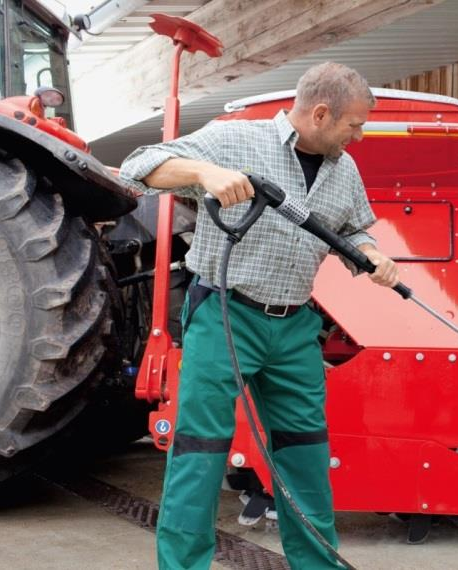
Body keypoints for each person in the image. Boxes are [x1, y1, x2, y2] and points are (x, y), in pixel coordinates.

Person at [119, 61, 397, 570]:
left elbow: (354, 230)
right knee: (201, 451)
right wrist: (204, 172)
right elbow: (138, 165)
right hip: (227, 312)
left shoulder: (344, 169)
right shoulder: (235, 140)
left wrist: (372, 253)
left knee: (306, 454)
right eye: (354, 124)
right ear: (320, 113)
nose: (359, 135)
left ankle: (316, 564)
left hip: (295, 325)